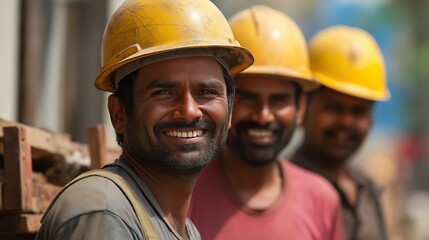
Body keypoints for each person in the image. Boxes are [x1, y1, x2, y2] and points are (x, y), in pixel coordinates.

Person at [35, 0, 254, 239]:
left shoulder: (187, 231)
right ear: (119, 113)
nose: (190, 111)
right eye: (164, 93)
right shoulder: (103, 214)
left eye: (206, 92)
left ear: (230, 110)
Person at [189, 6, 345, 240]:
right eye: (248, 99)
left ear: (300, 107)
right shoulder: (184, 195)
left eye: (279, 100)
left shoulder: (321, 200)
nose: (263, 116)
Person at [291, 25, 390, 240]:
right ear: (303, 107)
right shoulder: (284, 194)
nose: (346, 122)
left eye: (358, 111)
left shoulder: (368, 190)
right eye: (333, 108)